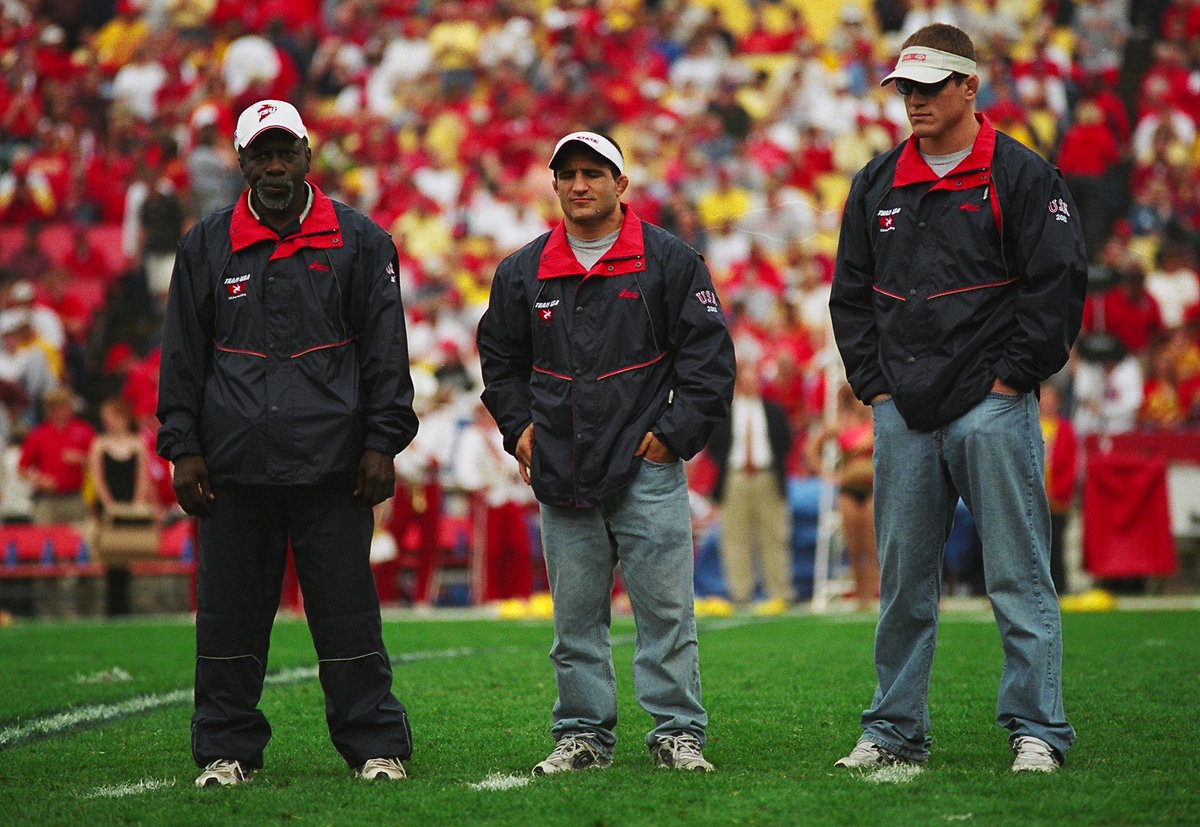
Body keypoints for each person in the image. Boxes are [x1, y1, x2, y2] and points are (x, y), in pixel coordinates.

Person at [828, 25, 1085, 774]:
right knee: (902, 580)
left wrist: (1012, 377)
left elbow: (1058, 284)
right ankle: (893, 728)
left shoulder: (1023, 174)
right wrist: (874, 387)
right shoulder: (874, 182)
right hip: (903, 409)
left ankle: (1037, 729)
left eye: (930, 86)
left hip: (992, 404)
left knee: (1017, 574)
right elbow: (849, 297)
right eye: (906, 88)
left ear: (970, 86)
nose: (914, 101)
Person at [156, 100, 418, 787]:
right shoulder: (205, 245)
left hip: (335, 468)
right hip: (233, 469)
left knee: (348, 616)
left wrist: (382, 442)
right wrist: (182, 446)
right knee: (227, 621)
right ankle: (225, 748)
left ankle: (374, 745)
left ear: (308, 152)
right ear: (240, 162)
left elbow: (387, 353)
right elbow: (182, 357)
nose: (274, 167)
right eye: (260, 155)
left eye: (285, 152)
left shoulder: (362, 242)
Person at [477, 131, 735, 775]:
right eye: (567, 174)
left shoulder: (670, 261)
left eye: (594, 173)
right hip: (561, 470)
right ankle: (582, 735)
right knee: (575, 622)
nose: (579, 185)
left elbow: (709, 361)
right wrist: (517, 428)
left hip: (646, 468)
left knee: (666, 614)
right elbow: (499, 362)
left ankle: (678, 733)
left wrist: (670, 440)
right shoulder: (521, 271)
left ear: (622, 184)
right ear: (555, 183)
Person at [706, 350, 794, 614]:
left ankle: (779, 592)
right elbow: (714, 447)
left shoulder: (772, 410)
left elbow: (785, 442)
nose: (750, 382)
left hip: (767, 475)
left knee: (774, 534)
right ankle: (740, 593)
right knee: (734, 537)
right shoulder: (725, 413)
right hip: (735, 477)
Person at [806, 383, 879, 610]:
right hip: (848, 487)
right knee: (854, 544)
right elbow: (811, 448)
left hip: (872, 486)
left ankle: (876, 589)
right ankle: (861, 595)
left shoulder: (875, 422)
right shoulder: (840, 425)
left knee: (872, 542)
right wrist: (828, 474)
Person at [87, 395, 154, 616]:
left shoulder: (137, 443)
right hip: (109, 504)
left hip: (129, 503)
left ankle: (125, 606)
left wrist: (136, 504)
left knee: (126, 554)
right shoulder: (99, 443)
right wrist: (108, 504)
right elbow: (97, 477)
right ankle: (112, 607)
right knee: (110, 555)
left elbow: (143, 476)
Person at [18, 386, 93, 526]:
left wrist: (82, 458)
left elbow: (98, 462)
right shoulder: (38, 434)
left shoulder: (84, 430)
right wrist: (39, 480)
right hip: (47, 499)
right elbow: (22, 469)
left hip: (74, 496)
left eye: (66, 406)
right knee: (43, 539)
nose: (63, 411)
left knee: (78, 539)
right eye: (58, 407)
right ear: (50, 410)